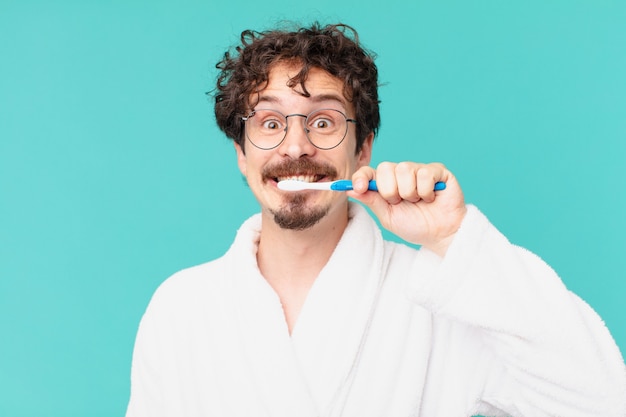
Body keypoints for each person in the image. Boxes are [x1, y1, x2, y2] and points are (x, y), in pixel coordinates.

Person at [126, 23, 626, 417]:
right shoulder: (181, 309)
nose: (296, 145)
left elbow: (603, 403)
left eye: (323, 121)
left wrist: (453, 240)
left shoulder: (442, 298)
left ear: (363, 147)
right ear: (241, 152)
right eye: (270, 123)